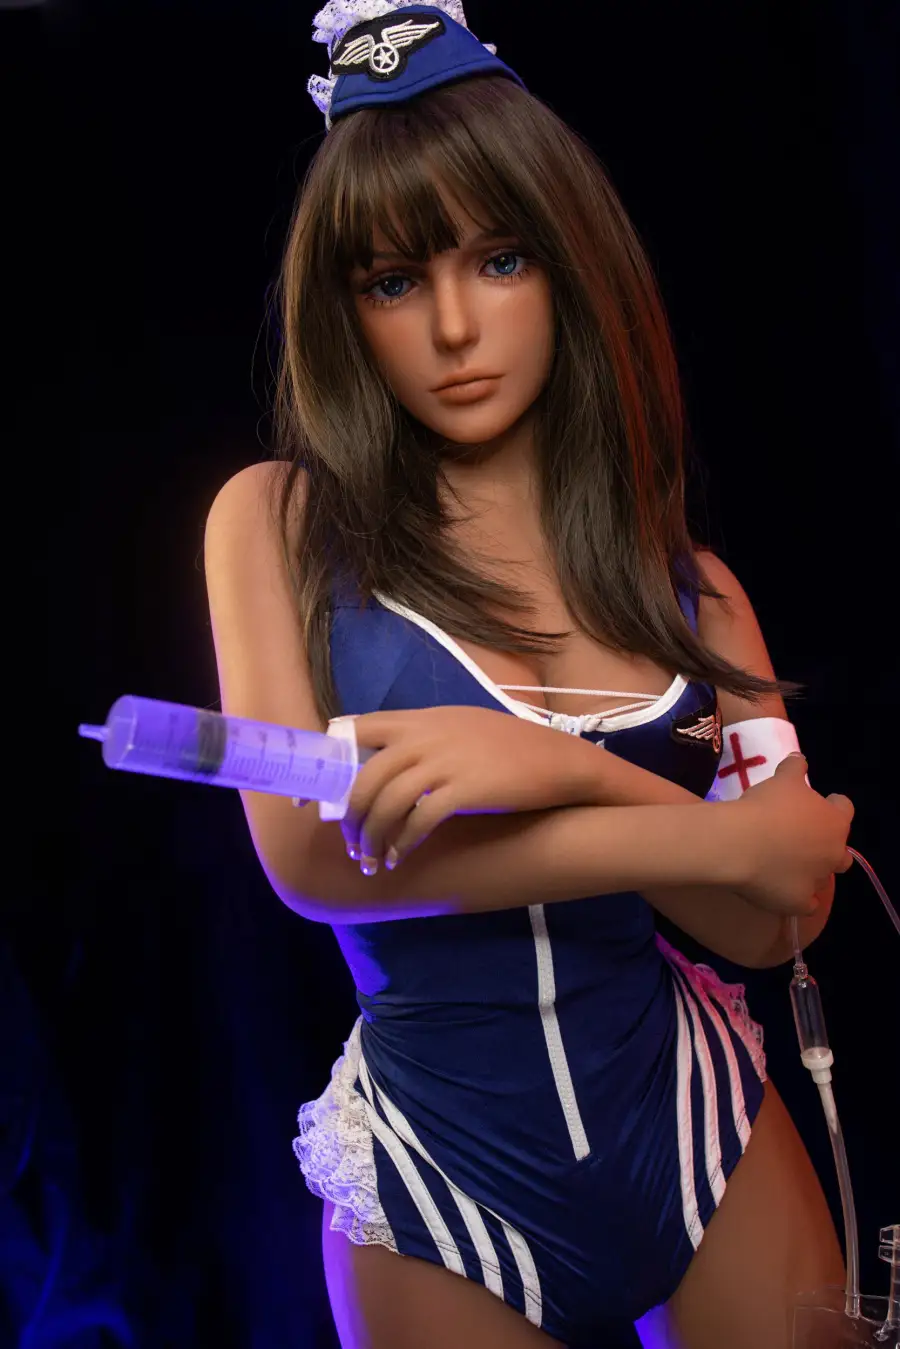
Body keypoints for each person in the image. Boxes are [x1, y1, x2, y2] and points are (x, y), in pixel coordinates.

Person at [203, 4, 855, 1345]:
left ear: (568, 267)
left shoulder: (695, 589)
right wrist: (715, 839)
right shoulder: (276, 525)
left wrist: (547, 766)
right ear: (344, 313)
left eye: (499, 260)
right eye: (393, 282)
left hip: (696, 1120)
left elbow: (778, 921)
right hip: (438, 1168)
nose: (454, 327)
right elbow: (316, 866)